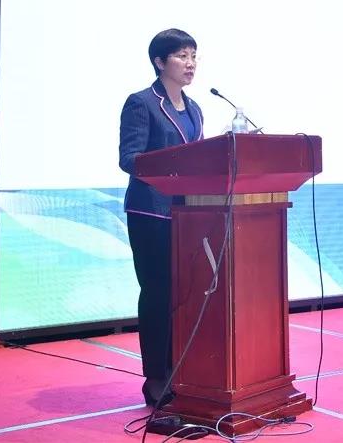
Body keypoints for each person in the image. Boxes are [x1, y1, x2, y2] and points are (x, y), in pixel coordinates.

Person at [118, 28, 203, 407]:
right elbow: (129, 158)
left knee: (183, 296)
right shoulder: (142, 104)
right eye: (182, 56)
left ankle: (181, 370)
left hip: (188, 216)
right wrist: (174, 167)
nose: (190, 63)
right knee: (157, 294)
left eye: (194, 56)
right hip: (150, 213)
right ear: (159, 61)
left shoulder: (195, 108)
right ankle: (156, 378)